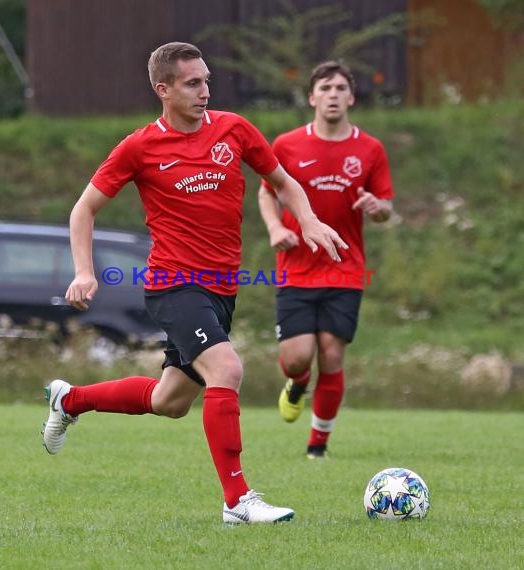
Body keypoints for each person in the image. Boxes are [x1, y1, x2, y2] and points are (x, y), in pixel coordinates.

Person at [41, 42, 348, 524]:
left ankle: (70, 399)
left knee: (171, 401)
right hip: (173, 284)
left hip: (221, 290)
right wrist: (84, 271)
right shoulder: (139, 146)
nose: (205, 91)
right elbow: (84, 209)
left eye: (206, 80)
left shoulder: (235, 129)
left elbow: (284, 182)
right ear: (163, 89)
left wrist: (306, 219)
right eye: (192, 83)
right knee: (226, 369)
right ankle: (237, 502)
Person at [258, 61, 394, 459]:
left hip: (346, 267)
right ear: (312, 97)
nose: (333, 94)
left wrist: (376, 206)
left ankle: (318, 445)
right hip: (296, 266)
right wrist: (273, 229)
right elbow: (267, 191)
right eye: (325, 87)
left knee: (332, 353)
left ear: (351, 98)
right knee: (299, 356)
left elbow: (386, 208)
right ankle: (298, 382)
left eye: (340, 88)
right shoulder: (286, 145)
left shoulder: (370, 149)